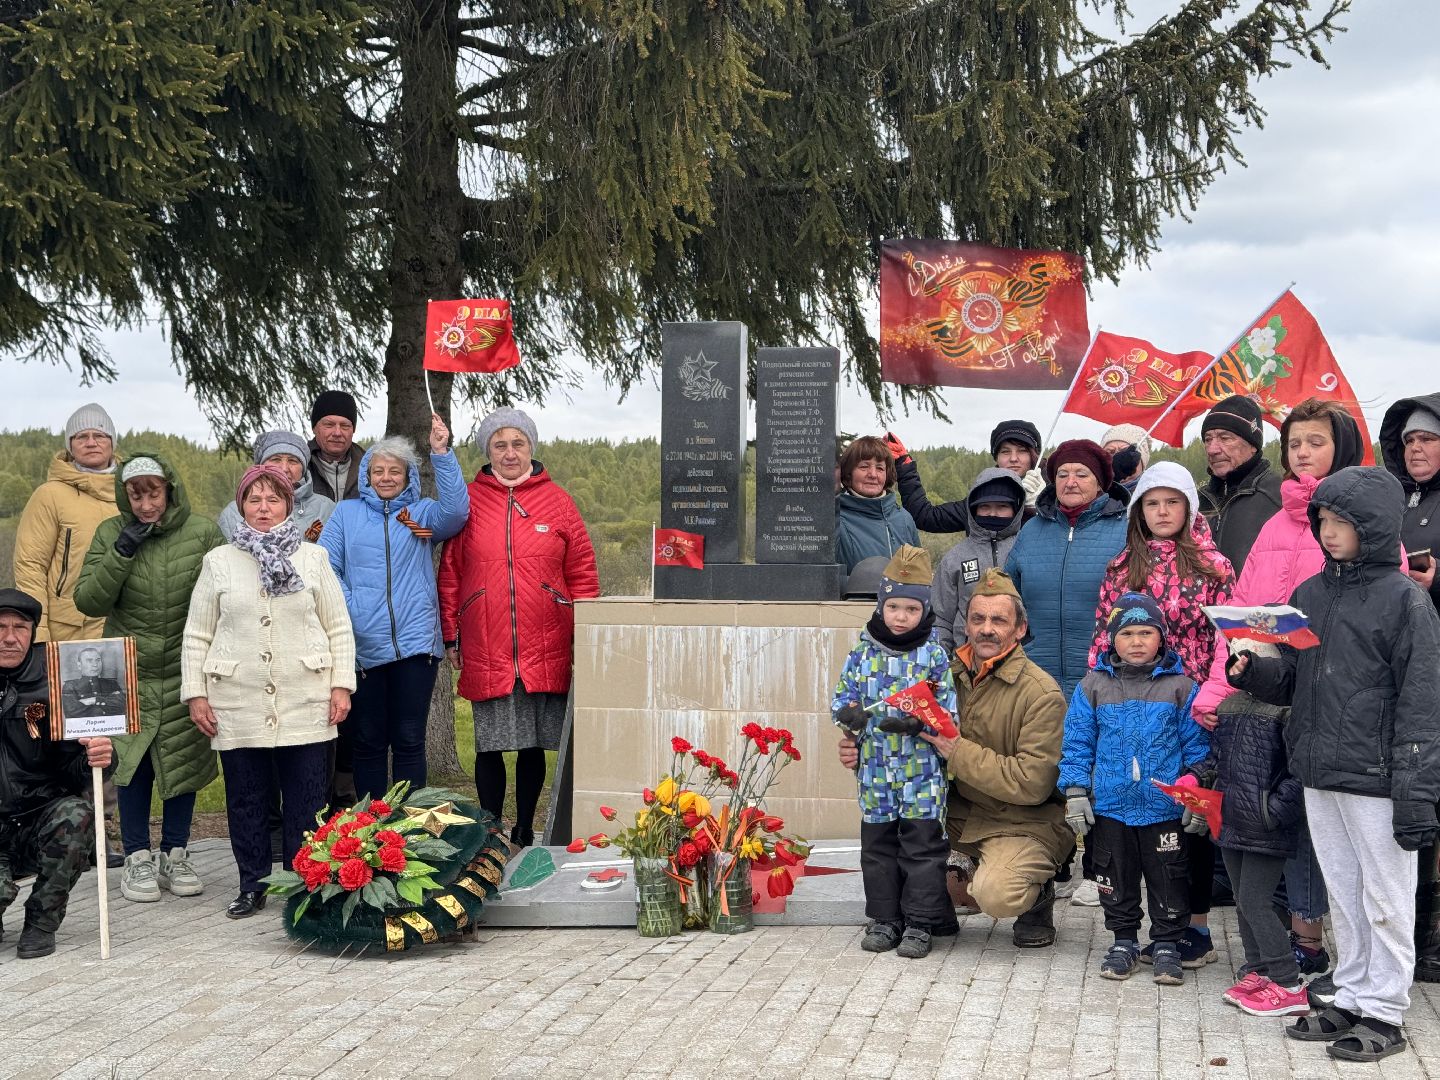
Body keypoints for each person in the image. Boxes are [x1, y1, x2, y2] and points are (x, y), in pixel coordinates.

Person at [1227, 465, 1440, 1061]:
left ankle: (1386, 1011)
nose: (1327, 529)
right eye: (1322, 518)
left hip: (1378, 777)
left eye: (1340, 520)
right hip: (1319, 769)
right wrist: (1255, 672)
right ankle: (1350, 992)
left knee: (1386, 898)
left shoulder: (1405, 601)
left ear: (1372, 526)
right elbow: (1293, 677)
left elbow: (1424, 702)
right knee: (1343, 894)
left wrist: (1417, 791)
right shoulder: (1310, 594)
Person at [1193, 398, 1365, 993]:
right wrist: (1219, 685)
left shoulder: (1364, 519)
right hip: (1261, 696)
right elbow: (1238, 618)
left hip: (1328, 696)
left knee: (1322, 824)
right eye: (1294, 444)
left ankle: (1315, 940)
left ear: (1340, 447)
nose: (1302, 454)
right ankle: (1284, 947)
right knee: (1272, 820)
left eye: (1314, 442)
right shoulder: (1275, 522)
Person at [837, 569, 1071, 948]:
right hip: (959, 813)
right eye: (977, 619)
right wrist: (857, 743)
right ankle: (928, 914)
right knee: (898, 846)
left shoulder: (1041, 693)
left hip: (1020, 820)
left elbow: (1033, 783)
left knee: (996, 894)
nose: (986, 629)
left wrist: (956, 750)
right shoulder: (943, 673)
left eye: (999, 620)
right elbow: (887, 721)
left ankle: (1038, 892)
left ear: (1020, 629)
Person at [182, 465, 356, 919]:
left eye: (273, 500)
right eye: (254, 500)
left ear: (288, 506)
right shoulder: (218, 561)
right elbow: (197, 634)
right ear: (241, 506)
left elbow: (337, 625)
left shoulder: (313, 558)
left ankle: (303, 883)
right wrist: (195, 693)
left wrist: (341, 685)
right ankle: (252, 884)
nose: (264, 509)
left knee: (308, 798)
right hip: (236, 699)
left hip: (306, 695)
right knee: (246, 798)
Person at [1088, 461, 1233, 960]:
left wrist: (1216, 694)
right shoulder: (1121, 567)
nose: (1163, 511)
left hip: (1194, 704)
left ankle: (1193, 927)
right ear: (1138, 511)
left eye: (1173, 501)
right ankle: (1134, 928)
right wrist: (1095, 694)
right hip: (1131, 704)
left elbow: (1227, 639)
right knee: (1138, 814)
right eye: (1153, 502)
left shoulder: (1215, 567)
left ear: (1189, 507)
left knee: (1187, 813)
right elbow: (1101, 639)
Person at [438, 408, 599, 847]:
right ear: (487, 451)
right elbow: (450, 573)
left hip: (545, 638)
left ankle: (526, 828)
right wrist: (450, 633)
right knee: (490, 744)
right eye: (499, 444)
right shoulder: (468, 502)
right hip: (485, 638)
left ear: (531, 447)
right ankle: (490, 830)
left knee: (532, 744)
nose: (509, 453)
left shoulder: (559, 501)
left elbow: (582, 572)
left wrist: (586, 631)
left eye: (518, 443)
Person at [74, 453, 223, 904]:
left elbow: (220, 597)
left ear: (169, 490)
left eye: (152, 492)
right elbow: (89, 602)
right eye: (135, 494)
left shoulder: (202, 532)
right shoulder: (109, 533)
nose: (144, 504)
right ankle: (136, 856)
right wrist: (121, 551)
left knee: (183, 761)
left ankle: (175, 852)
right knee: (132, 764)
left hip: (184, 666)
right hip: (127, 671)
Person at [319, 415, 467, 803]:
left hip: (415, 648)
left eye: (394, 471)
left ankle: (409, 829)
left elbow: (457, 512)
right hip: (363, 647)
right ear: (366, 475)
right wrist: (352, 609)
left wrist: (441, 453)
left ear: (407, 477)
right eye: (377, 470)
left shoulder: (420, 515)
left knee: (408, 738)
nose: (385, 477)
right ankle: (372, 827)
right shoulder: (347, 515)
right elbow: (326, 567)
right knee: (367, 741)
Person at [1060, 593, 1207, 984]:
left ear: (1162, 637)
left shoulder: (1181, 687)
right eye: (1127, 633)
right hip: (1111, 806)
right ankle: (1123, 941)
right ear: (1113, 640)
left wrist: (1196, 792)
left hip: (1165, 809)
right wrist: (1075, 790)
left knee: (1170, 877)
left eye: (1146, 632)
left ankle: (1166, 944)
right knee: (1114, 877)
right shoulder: (1093, 686)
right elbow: (1077, 742)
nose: (1137, 641)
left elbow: (1198, 748)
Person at [831, 546, 957, 959]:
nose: (901, 616)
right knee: (879, 847)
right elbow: (842, 700)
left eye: (911, 609)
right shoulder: (862, 651)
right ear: (881, 605)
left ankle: (921, 922)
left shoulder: (933, 655)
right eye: (893, 607)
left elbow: (949, 714)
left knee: (923, 847)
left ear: (924, 610)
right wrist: (848, 718)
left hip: (921, 771)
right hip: (875, 772)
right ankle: (885, 919)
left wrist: (918, 724)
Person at [0, 589, 114, 959]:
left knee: (77, 815)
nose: (9, 637)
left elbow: (73, 769)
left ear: (32, 632)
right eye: (0, 627)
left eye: (20, 627)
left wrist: (98, 757)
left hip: (36, 817)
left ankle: (41, 922)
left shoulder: (56, 684)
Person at [1194, 659, 1309, 1017]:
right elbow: (1217, 757)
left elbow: (1300, 771)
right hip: (1231, 818)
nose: (1241, 668)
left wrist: (1272, 812)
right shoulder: (1231, 705)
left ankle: (1288, 982)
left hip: (1265, 823)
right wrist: (1195, 779)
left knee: (1257, 901)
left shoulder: (1290, 709)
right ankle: (1258, 969)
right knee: (1243, 899)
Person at [1378, 393, 1440, 981]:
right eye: (1409, 441)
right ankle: (1415, 936)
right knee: (1413, 806)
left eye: (1428, 439)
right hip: (1398, 675)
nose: (1416, 448)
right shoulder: (1396, 500)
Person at [1004, 439, 1129, 699]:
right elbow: (1008, 597)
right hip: (1036, 680)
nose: (1070, 482)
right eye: (1063, 474)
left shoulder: (1125, 530)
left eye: (1081, 474)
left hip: (1106, 679)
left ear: (1099, 482)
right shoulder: (1031, 531)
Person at [13, 404, 120, 643]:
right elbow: (31, 566)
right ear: (70, 445)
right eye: (81, 436)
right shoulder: (50, 495)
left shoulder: (133, 492)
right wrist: (38, 631)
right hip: (67, 630)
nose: (91, 442)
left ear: (112, 442)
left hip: (122, 625)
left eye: (100, 435)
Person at [886, 419, 1045, 532]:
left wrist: (1038, 508)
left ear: (1034, 455)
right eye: (1005, 451)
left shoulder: (1056, 496)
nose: (1013, 458)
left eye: (1022, 451)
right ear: (996, 458)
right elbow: (925, 517)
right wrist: (905, 466)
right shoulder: (980, 499)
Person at [931, 468, 1026, 655]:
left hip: (1021, 662)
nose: (993, 514)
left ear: (1015, 509)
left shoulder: (1029, 548)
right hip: (967, 662)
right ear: (973, 509)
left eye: (1002, 507)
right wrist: (941, 662)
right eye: (985, 507)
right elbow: (940, 618)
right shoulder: (954, 558)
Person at [1196, 395, 1282, 574]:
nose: (1212, 449)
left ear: (1253, 445)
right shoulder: (1196, 502)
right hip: (1202, 602)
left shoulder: (1279, 497)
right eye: (1208, 439)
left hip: (1256, 601)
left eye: (1225, 438)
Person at [218, 430, 336, 543]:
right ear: (261, 465)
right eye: (275, 459)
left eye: (293, 461)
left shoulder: (327, 509)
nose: (284, 468)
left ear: (303, 469)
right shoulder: (232, 513)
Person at [834, 437, 919, 572]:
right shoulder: (835, 521)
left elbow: (918, 577)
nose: (873, 474)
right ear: (849, 473)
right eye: (864, 466)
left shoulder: (904, 519)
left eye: (880, 468)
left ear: (887, 474)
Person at [307, 390, 364, 502]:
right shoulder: (299, 465)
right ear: (314, 428)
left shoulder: (370, 467)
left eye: (345, 426)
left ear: (353, 430)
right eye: (329, 425)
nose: (337, 433)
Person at [61, 647, 125, 717]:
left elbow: (122, 706)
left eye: (98, 660)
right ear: (79, 665)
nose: (95, 665)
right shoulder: (70, 686)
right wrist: (106, 703)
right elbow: (71, 712)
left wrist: (93, 700)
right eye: (89, 660)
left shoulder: (112, 684)